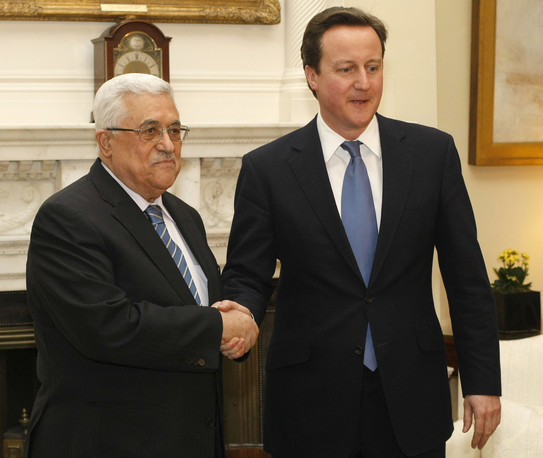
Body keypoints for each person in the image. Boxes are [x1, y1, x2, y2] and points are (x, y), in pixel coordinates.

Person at [222, 7, 501, 458]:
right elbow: (246, 274)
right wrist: (239, 316)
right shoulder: (268, 169)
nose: (364, 83)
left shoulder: (432, 154)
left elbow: (466, 278)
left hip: (412, 398)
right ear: (312, 76)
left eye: (373, 67)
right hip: (310, 403)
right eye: (346, 69)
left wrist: (482, 380)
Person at [25, 73, 258, 458]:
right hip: (107, 443)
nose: (167, 144)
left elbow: (201, 308)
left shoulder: (185, 216)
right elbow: (107, 327)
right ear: (106, 142)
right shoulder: (68, 217)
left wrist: (236, 330)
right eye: (150, 131)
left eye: (175, 130)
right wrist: (218, 327)